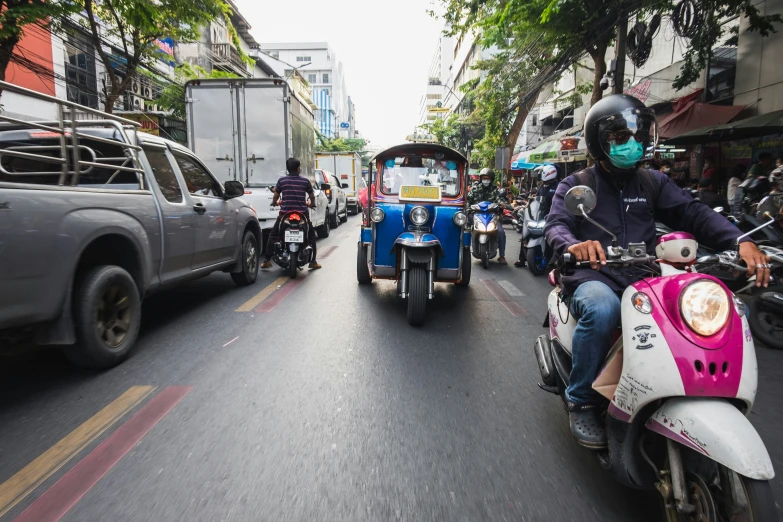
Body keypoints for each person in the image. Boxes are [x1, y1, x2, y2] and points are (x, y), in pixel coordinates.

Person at [544, 94, 770, 449]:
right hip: (593, 275)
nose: (631, 144)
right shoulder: (577, 186)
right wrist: (574, 247)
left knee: (690, 310)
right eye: (620, 137)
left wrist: (739, 240)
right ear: (599, 142)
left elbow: (694, 213)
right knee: (602, 309)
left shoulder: (653, 182)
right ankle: (582, 398)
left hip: (644, 276)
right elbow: (556, 225)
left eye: (637, 136)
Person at [260, 158, 321, 270]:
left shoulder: (281, 181)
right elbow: (312, 196)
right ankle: (313, 261)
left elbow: (276, 195)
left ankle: (267, 260)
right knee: (311, 235)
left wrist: (274, 203)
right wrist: (311, 204)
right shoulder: (305, 181)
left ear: (287, 169)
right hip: (302, 214)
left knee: (273, 235)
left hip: (285, 214)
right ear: (298, 169)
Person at [516, 164, 558, 267]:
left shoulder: (558, 186)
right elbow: (537, 200)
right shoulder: (541, 187)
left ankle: (560, 260)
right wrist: (529, 205)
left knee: (557, 235)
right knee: (525, 233)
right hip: (539, 216)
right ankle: (522, 259)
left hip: (552, 216)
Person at [468, 168, 507, 264]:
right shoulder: (475, 188)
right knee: (465, 229)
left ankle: (502, 256)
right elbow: (468, 200)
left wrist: (502, 203)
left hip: (492, 215)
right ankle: (464, 250)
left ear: (491, 179)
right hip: (476, 214)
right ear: (481, 179)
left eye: (488, 178)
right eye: (484, 178)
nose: (486, 180)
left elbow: (500, 199)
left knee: (501, 232)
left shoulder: (495, 189)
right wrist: (467, 206)